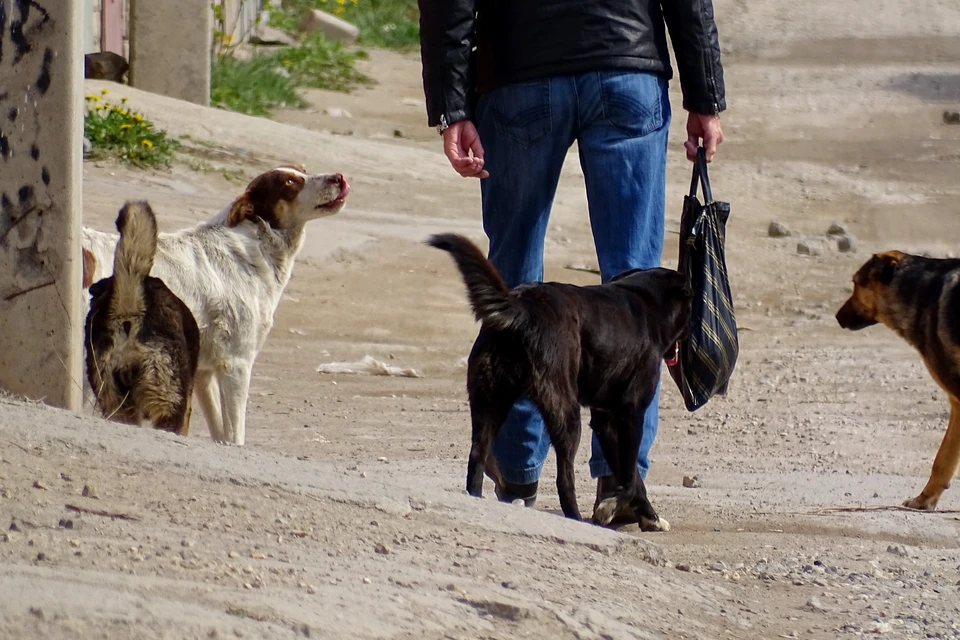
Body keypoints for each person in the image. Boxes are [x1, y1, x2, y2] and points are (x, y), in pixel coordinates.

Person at [418, 0, 726, 520]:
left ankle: (516, 474)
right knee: (636, 291)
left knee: (513, 284)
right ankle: (621, 485)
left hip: (518, 75)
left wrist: (453, 106)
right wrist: (705, 95)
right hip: (626, 70)